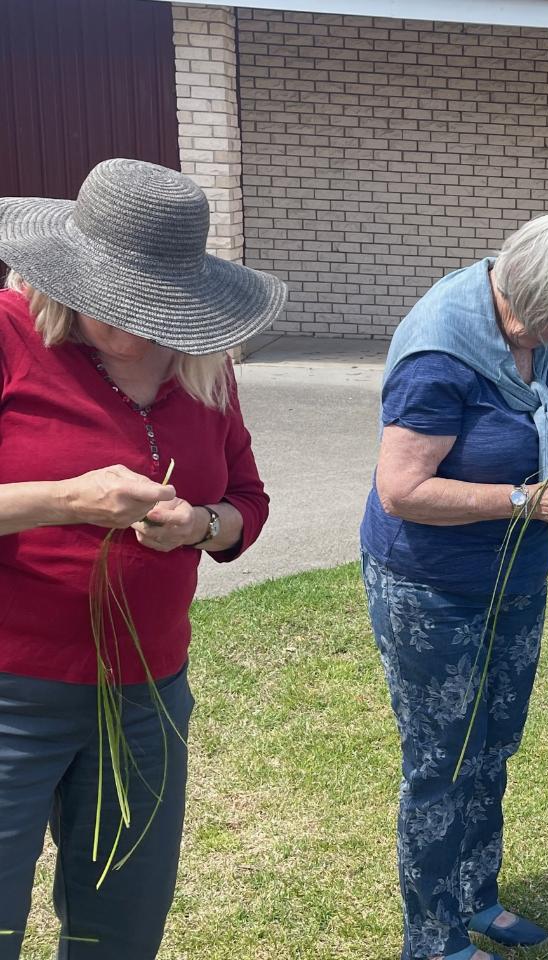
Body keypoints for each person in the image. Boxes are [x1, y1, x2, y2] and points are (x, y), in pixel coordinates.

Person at [0, 159, 282, 958]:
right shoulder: (9, 337)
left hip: (146, 696)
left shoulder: (205, 368)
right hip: (12, 694)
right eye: (116, 303)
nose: (138, 328)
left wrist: (201, 523)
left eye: (158, 308)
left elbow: (248, 502)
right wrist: (65, 499)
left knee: (119, 928)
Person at [360, 211, 548, 960]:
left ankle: (476, 897)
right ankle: (434, 940)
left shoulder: (541, 335)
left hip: (514, 573)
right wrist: (528, 500)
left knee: (493, 744)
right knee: (441, 761)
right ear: (533, 291)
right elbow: (402, 491)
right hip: (432, 586)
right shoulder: (439, 352)